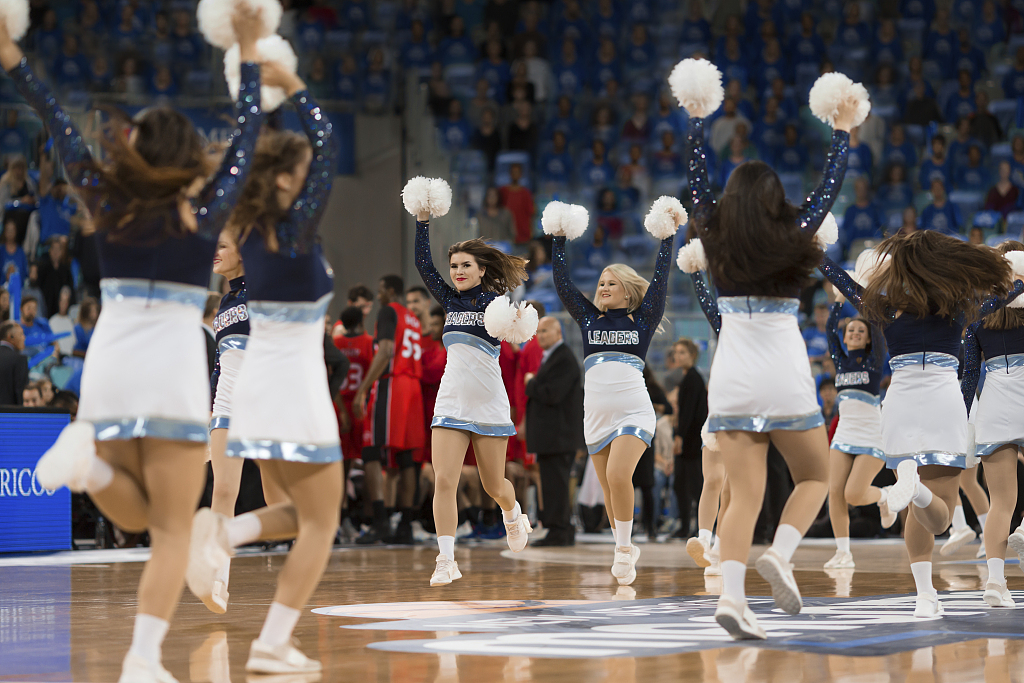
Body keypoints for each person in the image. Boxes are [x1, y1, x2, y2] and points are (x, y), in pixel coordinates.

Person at [22, 7, 265, 681]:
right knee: (170, 528)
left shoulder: (104, 198)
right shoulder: (206, 213)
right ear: (190, 157)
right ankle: (139, 659)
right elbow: (248, 133)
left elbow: (61, 127)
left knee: (129, 500)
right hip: (171, 369)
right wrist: (247, 50)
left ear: (131, 148)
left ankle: (90, 466)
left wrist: (15, 62)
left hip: (110, 362)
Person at [678, 60, 861, 639]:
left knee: (741, 496)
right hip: (782, 362)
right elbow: (830, 186)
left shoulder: (713, 229)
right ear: (777, 198)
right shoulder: (794, 231)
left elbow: (698, 181)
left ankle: (731, 598)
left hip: (731, 367)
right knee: (812, 476)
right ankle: (780, 554)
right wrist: (841, 131)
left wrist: (697, 121)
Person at [187, 63, 341, 675]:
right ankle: (270, 636)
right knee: (322, 525)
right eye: (299, 174)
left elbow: (245, 139)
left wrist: (254, 76)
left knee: (303, 517)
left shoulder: (245, 231)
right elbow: (326, 143)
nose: (309, 180)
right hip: (295, 386)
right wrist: (295, 84)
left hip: (254, 393)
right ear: (282, 180)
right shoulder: (296, 231)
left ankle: (225, 537)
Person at [821, 231, 1022, 619]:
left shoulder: (884, 306)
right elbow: (1009, 294)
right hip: (943, 403)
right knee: (943, 513)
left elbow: (839, 278)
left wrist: (813, 248)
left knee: (918, 510)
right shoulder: (962, 306)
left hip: (899, 405)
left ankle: (925, 595)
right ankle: (919, 493)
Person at [547, 195, 682, 586]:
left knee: (621, 476)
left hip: (634, 410)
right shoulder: (588, 318)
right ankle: (622, 544)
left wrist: (667, 237)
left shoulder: (642, 319)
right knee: (608, 488)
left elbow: (661, 276)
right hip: (596, 415)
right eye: (601, 282)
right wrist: (558, 238)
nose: (604, 287)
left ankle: (624, 548)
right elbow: (563, 283)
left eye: (612, 283)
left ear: (627, 291)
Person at [412, 187, 535, 584]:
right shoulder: (449, 303)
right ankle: (446, 560)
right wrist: (422, 222)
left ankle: (512, 514)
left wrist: (517, 320)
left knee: (493, 484)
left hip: (487, 401)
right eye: (454, 267)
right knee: (443, 480)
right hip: (451, 400)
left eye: (466, 265)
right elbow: (422, 264)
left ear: (482, 270)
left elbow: (517, 329)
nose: (458, 272)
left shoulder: (497, 305)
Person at [959, 240, 1024, 607]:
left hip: (994, 407)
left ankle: (996, 584)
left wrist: (959, 418)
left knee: (1001, 504)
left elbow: (969, 379)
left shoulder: (977, 318)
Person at [352, 275, 426, 545]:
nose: (378, 294)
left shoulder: (388, 311)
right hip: (413, 389)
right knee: (408, 459)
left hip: (392, 385)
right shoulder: (414, 319)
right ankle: (405, 525)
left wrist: (363, 389)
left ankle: (381, 522)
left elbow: (385, 351)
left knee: (371, 451)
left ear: (391, 290)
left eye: (381, 290)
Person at [821, 293, 888, 570]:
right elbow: (829, 329)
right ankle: (843, 553)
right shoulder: (840, 361)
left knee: (853, 494)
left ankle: (885, 497)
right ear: (845, 337)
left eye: (861, 331)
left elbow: (879, 329)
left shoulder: (874, 359)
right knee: (834, 492)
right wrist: (838, 301)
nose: (856, 333)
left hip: (872, 432)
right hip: (845, 431)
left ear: (869, 338)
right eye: (851, 330)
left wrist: (865, 303)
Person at [526, 316, 584, 546]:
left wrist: (530, 383)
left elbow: (552, 394)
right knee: (553, 484)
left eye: (545, 331)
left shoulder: (563, 358)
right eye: (538, 332)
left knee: (557, 485)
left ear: (559, 333)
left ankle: (559, 531)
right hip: (553, 438)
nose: (540, 336)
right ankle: (560, 529)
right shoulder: (554, 357)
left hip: (559, 437)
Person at [332, 306, 375, 520]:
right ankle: (367, 517)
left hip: (340, 407)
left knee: (342, 466)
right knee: (369, 464)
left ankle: (343, 518)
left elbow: (332, 379)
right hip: (362, 406)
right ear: (360, 322)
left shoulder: (335, 343)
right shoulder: (368, 342)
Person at [0, 320, 27, 405]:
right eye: (21, 334)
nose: (24, 337)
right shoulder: (19, 359)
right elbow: (20, 393)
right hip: (9, 415)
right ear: (10, 337)